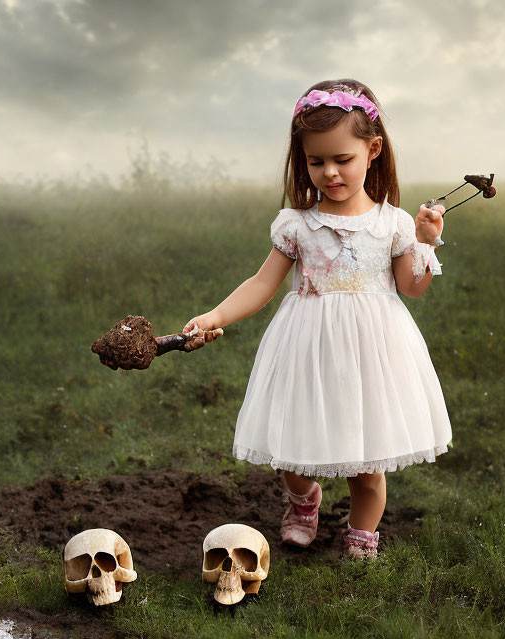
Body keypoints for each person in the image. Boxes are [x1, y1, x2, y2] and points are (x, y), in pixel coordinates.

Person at [182, 78, 452, 560]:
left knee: (368, 460)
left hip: (373, 352)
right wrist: (216, 314)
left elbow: (411, 288)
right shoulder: (298, 224)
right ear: (302, 159)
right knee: (296, 446)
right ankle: (304, 501)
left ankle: (360, 535)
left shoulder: (392, 224)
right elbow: (262, 284)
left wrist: (425, 242)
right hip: (307, 346)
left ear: (372, 150)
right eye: (316, 161)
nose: (329, 172)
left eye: (341, 159)